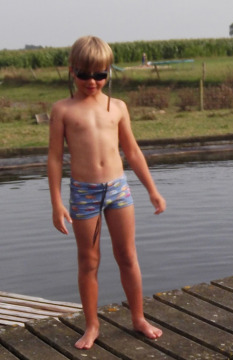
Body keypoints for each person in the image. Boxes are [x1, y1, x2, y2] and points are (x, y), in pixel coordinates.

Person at [47, 35, 166, 350]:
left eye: (100, 75)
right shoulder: (63, 110)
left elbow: (133, 152)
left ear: (108, 73)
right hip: (84, 193)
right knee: (89, 261)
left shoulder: (118, 107)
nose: (92, 81)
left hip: (118, 189)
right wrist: (56, 202)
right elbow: (55, 158)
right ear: (72, 71)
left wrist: (152, 190)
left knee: (127, 255)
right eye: (84, 74)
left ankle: (138, 317)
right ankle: (92, 325)